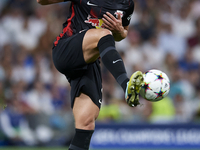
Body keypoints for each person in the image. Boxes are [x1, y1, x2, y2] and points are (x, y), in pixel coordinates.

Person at [36, 0, 144, 149]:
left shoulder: (127, 4)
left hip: (89, 62)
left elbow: (122, 33)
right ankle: (126, 85)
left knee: (86, 124)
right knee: (104, 34)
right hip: (66, 49)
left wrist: (120, 32)